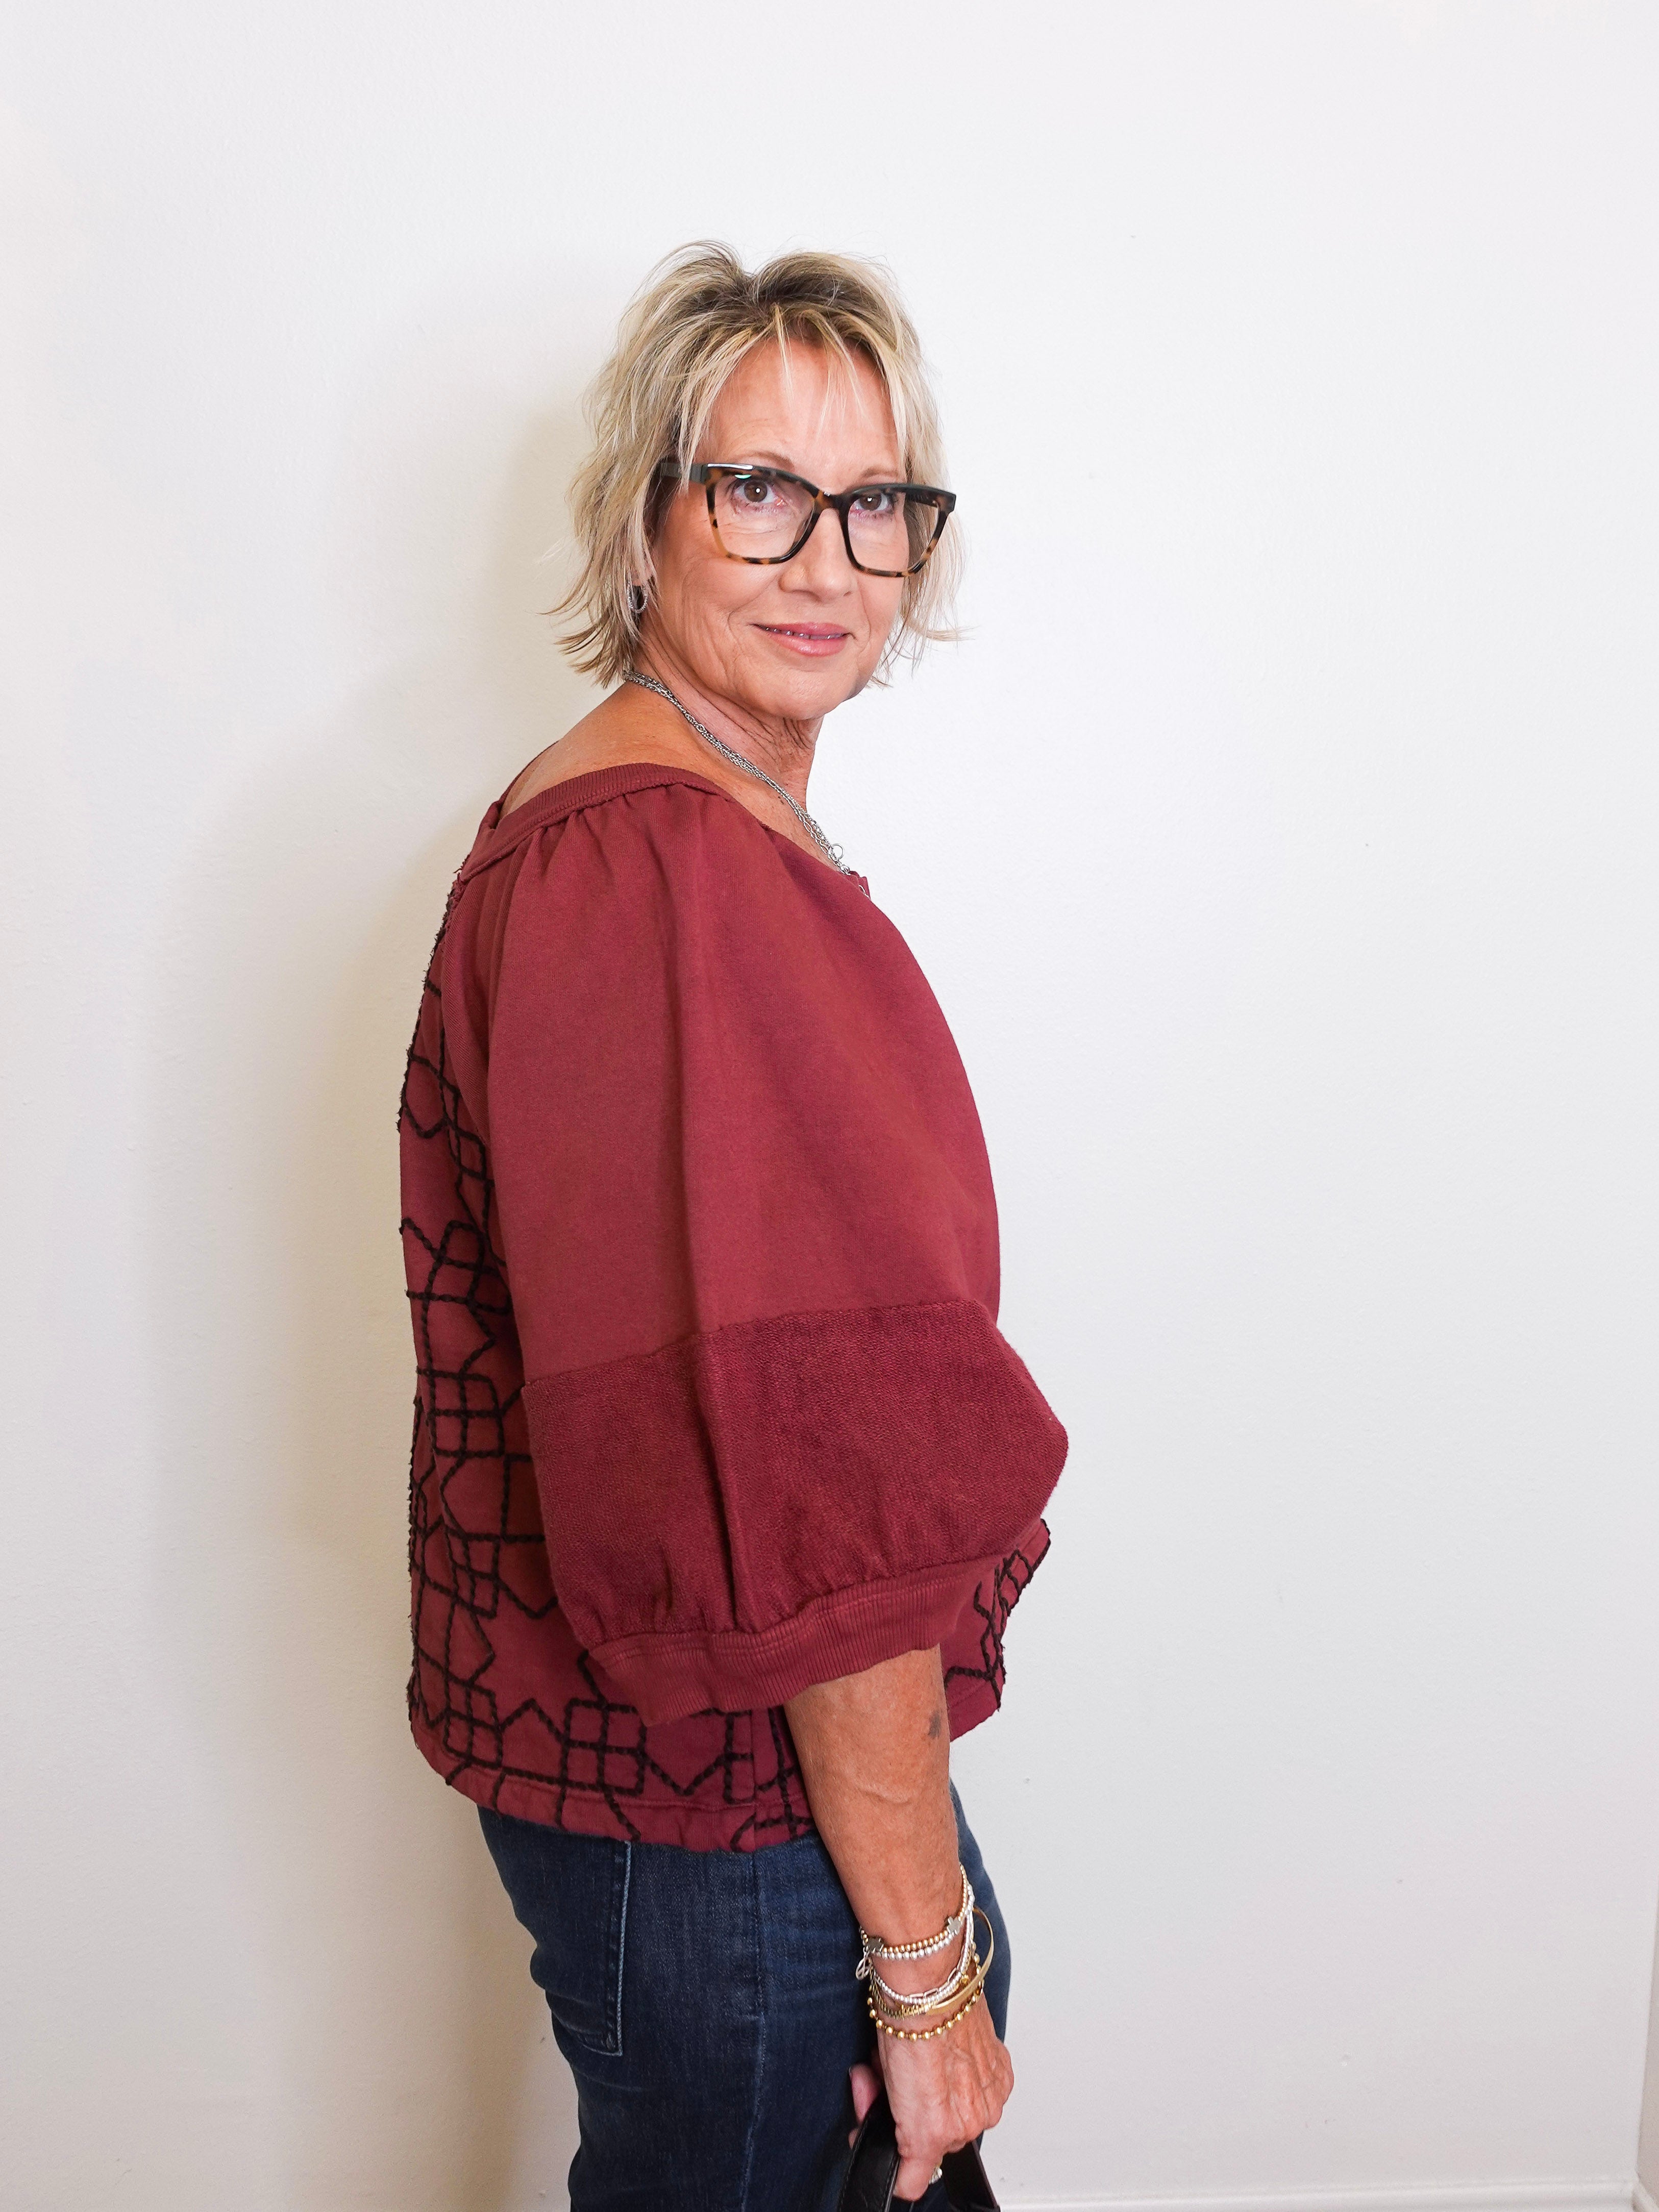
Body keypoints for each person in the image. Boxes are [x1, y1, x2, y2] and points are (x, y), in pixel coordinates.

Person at [398, 242, 1067, 2210]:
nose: (825, 561)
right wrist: (927, 1964)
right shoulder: (665, 867)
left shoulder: (663, 826)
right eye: (756, 488)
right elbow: (804, 1478)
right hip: (727, 1828)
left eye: (875, 506)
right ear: (643, 522)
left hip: (722, 1809)